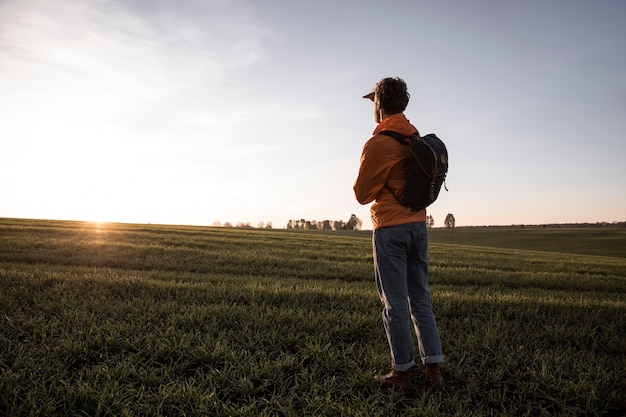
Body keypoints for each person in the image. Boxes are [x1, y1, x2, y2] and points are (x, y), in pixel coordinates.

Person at [353, 77, 445, 392]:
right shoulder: (414, 137)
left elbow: (363, 194)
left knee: (394, 303)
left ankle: (402, 374)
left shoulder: (378, 143)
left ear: (379, 103)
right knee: (420, 298)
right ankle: (434, 373)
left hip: (390, 229)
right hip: (419, 225)